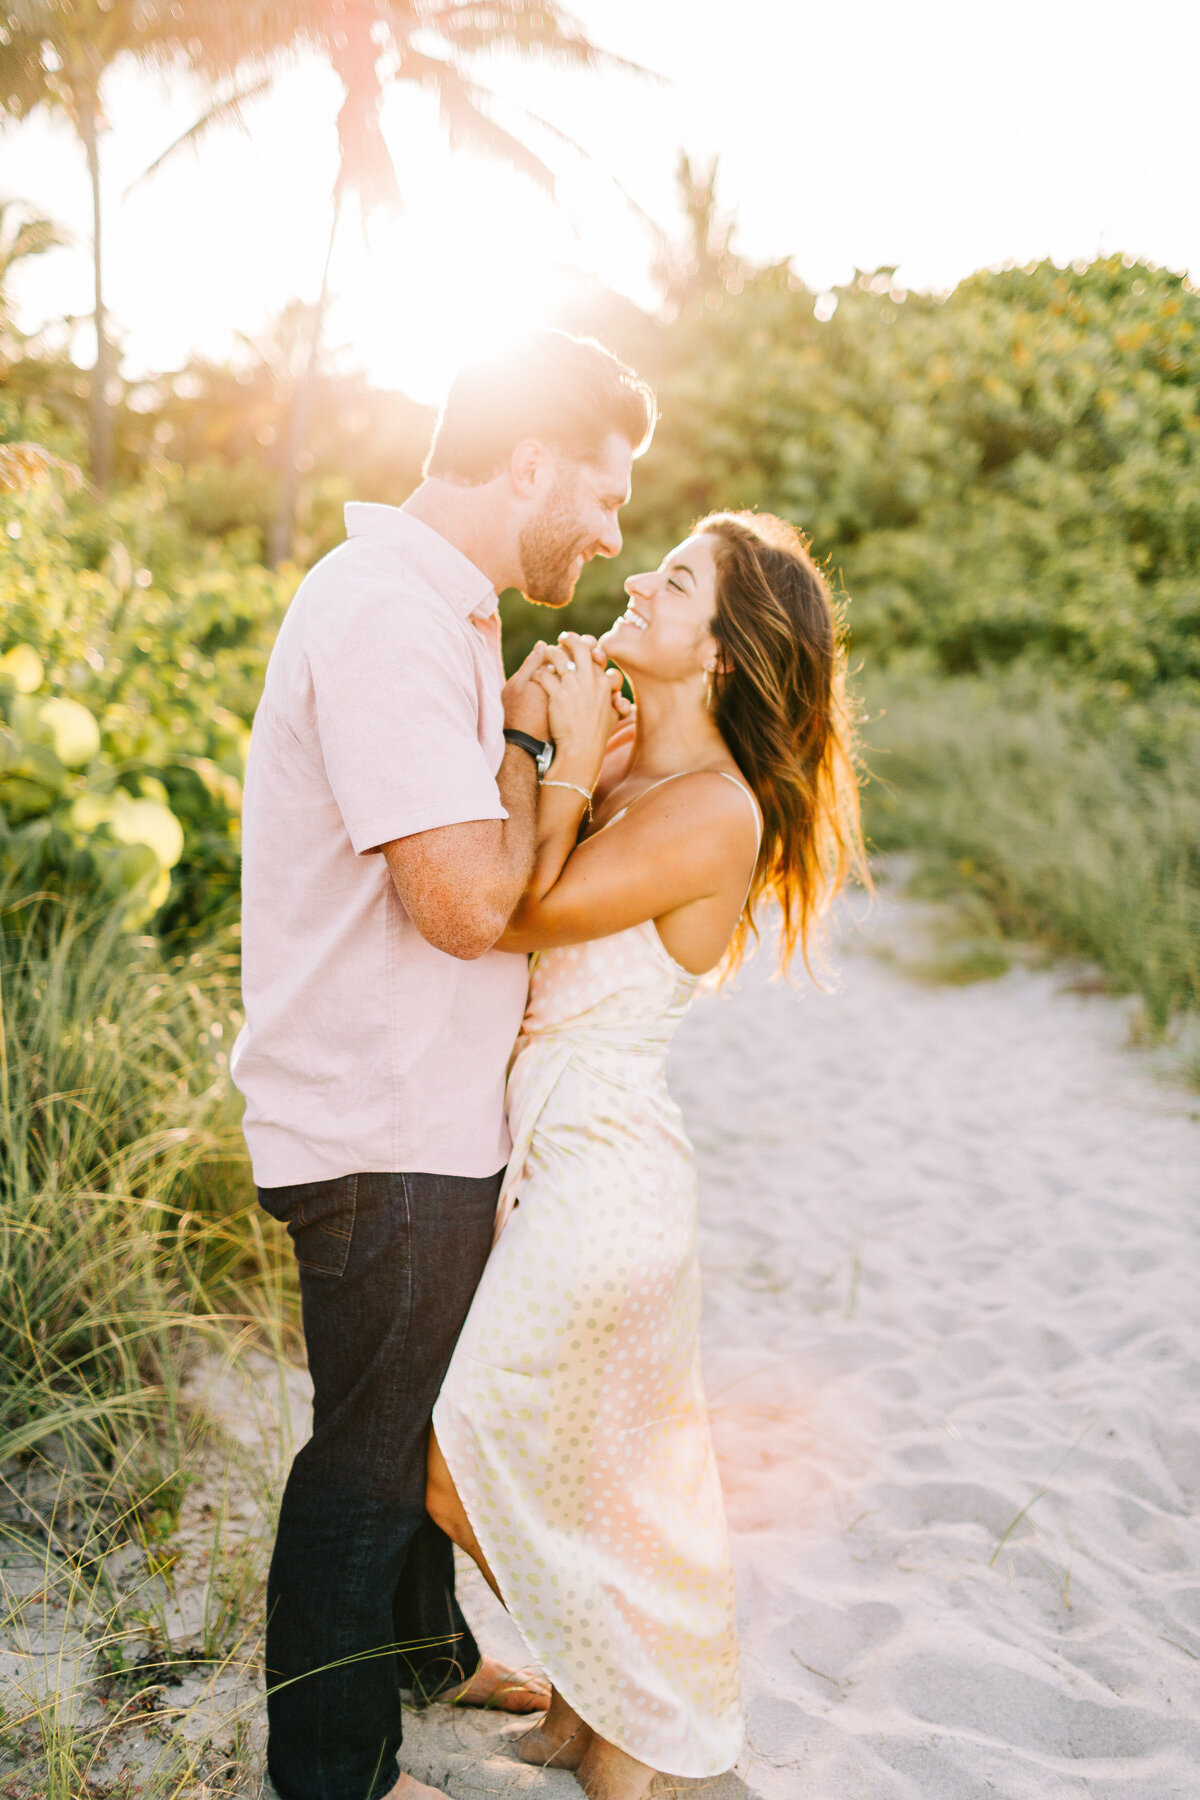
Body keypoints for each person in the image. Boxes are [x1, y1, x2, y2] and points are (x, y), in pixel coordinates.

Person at [230, 329, 656, 1800]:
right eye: (601, 492)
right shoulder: (387, 615)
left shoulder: (440, 606)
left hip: (419, 1107)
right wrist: (546, 752)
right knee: (363, 1459)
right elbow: (463, 904)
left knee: (425, 1412)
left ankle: (428, 1657)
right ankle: (333, 1776)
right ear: (527, 459)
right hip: (377, 1117)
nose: (613, 530)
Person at [427, 511, 868, 1800]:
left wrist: (548, 758)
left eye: (675, 581)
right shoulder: (628, 773)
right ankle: (586, 1702)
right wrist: (572, 759)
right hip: (554, 1157)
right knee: (583, 1471)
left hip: (605, 1178)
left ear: (722, 655)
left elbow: (519, 910)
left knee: (463, 1460)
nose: (635, 581)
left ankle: (635, 1720)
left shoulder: (713, 810)